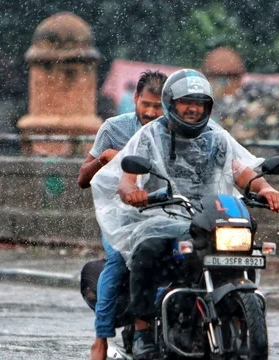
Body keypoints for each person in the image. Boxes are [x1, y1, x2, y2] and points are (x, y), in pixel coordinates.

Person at [91, 69, 279, 360]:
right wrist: (133, 192)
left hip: (207, 215)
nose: (193, 108)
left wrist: (265, 188)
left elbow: (240, 170)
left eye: (200, 103)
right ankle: (142, 331)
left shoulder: (216, 137)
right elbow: (127, 178)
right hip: (162, 214)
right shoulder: (150, 135)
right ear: (172, 102)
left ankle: (236, 314)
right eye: (186, 102)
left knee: (244, 244)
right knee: (146, 251)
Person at [78, 70, 167, 360]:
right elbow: (82, 179)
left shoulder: (174, 132)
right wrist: (103, 159)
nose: (152, 113)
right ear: (135, 100)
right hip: (120, 217)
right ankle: (102, 337)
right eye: (147, 105)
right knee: (118, 258)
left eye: (158, 107)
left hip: (164, 212)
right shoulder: (113, 128)